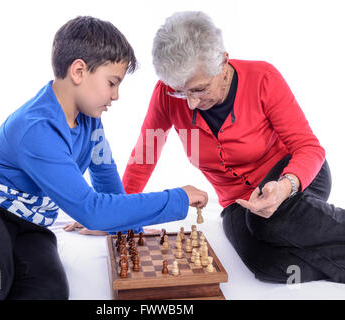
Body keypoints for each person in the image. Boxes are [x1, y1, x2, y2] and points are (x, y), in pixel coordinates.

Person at [0, 16, 208, 300]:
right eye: (112, 82)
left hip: (29, 223)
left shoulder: (91, 123)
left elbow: (108, 184)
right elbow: (92, 210)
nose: (116, 95)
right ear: (79, 71)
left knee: (49, 293)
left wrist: (133, 228)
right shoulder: (37, 128)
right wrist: (177, 197)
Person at [122, 11, 345, 284]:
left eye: (199, 89)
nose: (190, 102)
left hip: (294, 176)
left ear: (223, 63)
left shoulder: (263, 77)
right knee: (266, 267)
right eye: (181, 91)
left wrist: (285, 186)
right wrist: (116, 210)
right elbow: (146, 153)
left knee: (268, 222)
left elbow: (309, 148)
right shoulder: (165, 95)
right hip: (238, 201)